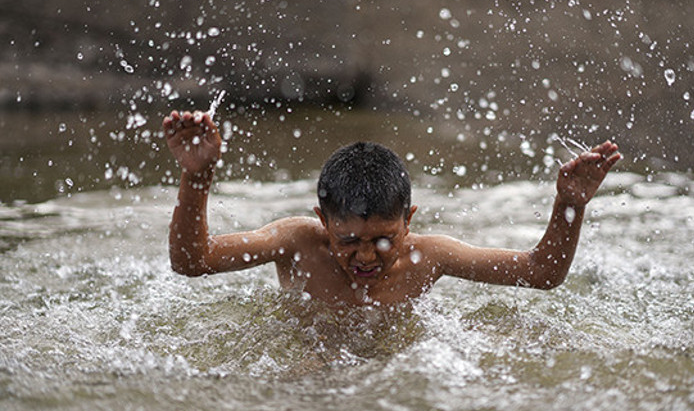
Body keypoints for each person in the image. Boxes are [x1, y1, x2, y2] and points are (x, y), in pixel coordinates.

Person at [163, 110, 621, 306]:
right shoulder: (296, 243)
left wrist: (569, 205)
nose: (365, 257)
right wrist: (197, 176)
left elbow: (541, 274)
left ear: (409, 221)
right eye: (349, 242)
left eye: (383, 240)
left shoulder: (430, 256)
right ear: (323, 222)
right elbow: (192, 261)